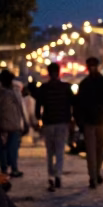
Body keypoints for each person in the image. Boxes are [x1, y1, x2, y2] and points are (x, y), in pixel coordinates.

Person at [74, 56, 103, 189]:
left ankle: (95, 174)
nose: (92, 68)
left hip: (99, 121)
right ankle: (93, 176)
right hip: (92, 121)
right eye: (91, 66)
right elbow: (79, 105)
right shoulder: (91, 84)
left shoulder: (100, 83)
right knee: (93, 150)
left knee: (98, 150)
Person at [32, 62, 74, 192]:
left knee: (50, 151)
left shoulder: (44, 88)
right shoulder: (66, 87)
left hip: (48, 122)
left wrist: (39, 119)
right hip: (62, 121)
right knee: (60, 150)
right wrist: (71, 119)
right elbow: (73, 103)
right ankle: (58, 175)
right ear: (59, 72)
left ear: (48, 73)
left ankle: (50, 176)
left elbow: (38, 106)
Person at [0, 70, 27, 178]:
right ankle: (14, 168)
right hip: (13, 125)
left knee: (2, 147)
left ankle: (4, 168)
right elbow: (20, 108)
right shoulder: (13, 93)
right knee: (12, 147)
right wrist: (25, 122)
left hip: (3, 125)